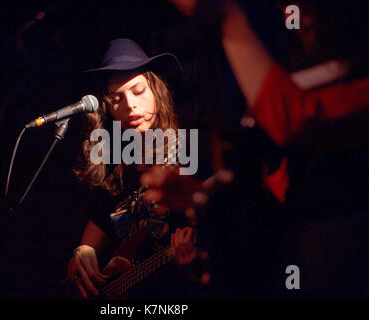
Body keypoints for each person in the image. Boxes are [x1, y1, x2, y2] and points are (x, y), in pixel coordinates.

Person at [143, 0, 368, 298]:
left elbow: (297, 120)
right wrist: (200, 199)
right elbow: (274, 203)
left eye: (306, 5)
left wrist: (228, 19)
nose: (293, 14)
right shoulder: (298, 76)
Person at [65, 39, 198, 300]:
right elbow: (89, 243)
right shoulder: (117, 170)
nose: (130, 106)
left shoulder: (192, 149)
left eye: (138, 91)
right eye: (117, 99)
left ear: (156, 91)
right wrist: (81, 254)